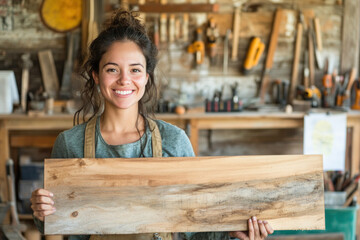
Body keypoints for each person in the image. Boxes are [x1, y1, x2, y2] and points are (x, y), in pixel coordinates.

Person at [30, 9, 274, 240]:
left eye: (135, 70)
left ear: (146, 77)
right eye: (112, 69)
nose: (124, 80)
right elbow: (55, 222)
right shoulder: (70, 143)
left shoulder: (174, 141)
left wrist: (232, 234)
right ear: (96, 75)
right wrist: (42, 211)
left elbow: (197, 229)